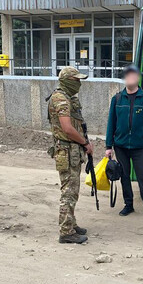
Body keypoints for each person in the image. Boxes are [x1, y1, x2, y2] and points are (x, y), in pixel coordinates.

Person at [104, 64, 143, 219]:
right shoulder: (117, 99)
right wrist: (108, 146)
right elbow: (111, 124)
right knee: (124, 176)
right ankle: (128, 205)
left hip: (139, 146)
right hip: (120, 146)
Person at [48, 67, 92, 244]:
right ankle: (66, 232)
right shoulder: (60, 98)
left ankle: (71, 224)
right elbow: (67, 128)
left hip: (72, 150)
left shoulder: (68, 97)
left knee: (73, 189)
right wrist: (85, 143)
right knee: (69, 191)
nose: (79, 84)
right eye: (76, 80)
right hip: (67, 150)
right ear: (67, 81)